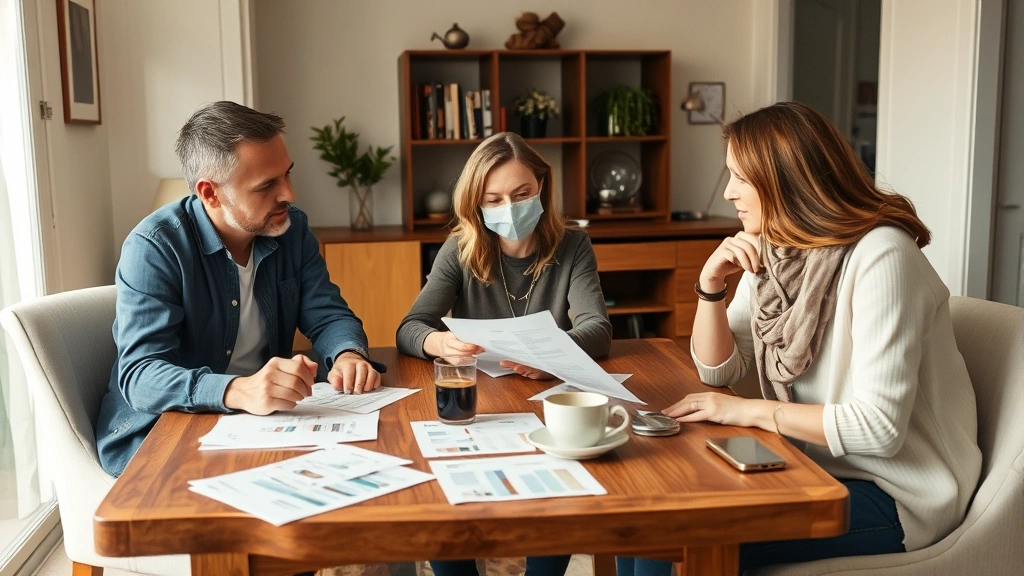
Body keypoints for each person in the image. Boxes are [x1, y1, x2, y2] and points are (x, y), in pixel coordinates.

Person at [618, 102, 981, 575]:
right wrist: (710, 286)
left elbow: (879, 429)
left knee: (671, 537)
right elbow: (719, 371)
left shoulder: (883, 256)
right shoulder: (779, 251)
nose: (728, 192)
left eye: (740, 178)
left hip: (898, 492)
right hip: (811, 466)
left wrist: (746, 411)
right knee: (640, 514)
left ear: (788, 180)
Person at [96, 101, 384, 478]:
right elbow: (141, 377)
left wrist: (346, 354)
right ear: (210, 193)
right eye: (266, 185)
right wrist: (238, 390)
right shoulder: (155, 247)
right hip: (167, 431)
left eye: (287, 174)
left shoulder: (291, 229)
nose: (289, 193)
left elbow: (329, 315)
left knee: (363, 468)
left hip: (264, 423)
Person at [397, 132, 611, 576]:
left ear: (542, 187)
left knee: (557, 493)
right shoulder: (459, 249)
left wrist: (551, 356)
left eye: (521, 194)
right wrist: (440, 343)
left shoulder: (573, 246)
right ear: (476, 203)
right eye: (493, 200)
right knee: (446, 496)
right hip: (479, 402)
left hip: (544, 402)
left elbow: (598, 329)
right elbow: (410, 327)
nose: (509, 209)